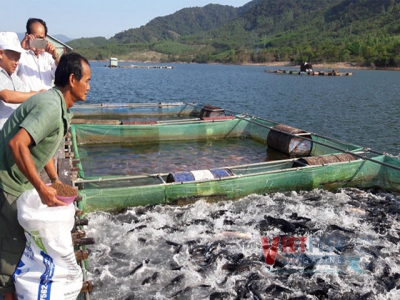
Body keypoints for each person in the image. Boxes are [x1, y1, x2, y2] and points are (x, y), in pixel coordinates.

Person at [0, 52, 91, 300]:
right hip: (6, 182)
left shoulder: (55, 104)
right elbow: (18, 144)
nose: (89, 87)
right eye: (87, 80)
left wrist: (55, 180)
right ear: (72, 80)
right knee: (12, 248)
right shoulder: (51, 107)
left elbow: (43, 147)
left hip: (15, 180)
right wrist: (41, 188)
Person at [0, 32, 43, 131]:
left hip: (12, 132)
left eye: (18, 59)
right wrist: (38, 94)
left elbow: (26, 93)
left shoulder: (14, 77)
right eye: (14, 58)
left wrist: (45, 93)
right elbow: (7, 96)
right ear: (1, 54)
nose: (17, 63)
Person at [17, 18, 60, 90]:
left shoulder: (49, 56)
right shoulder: (20, 54)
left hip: (46, 99)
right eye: (35, 37)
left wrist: (55, 56)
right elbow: (8, 73)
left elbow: (60, 77)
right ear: (27, 35)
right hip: (27, 100)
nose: (38, 41)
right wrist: (22, 49)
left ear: (45, 38)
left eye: (41, 38)